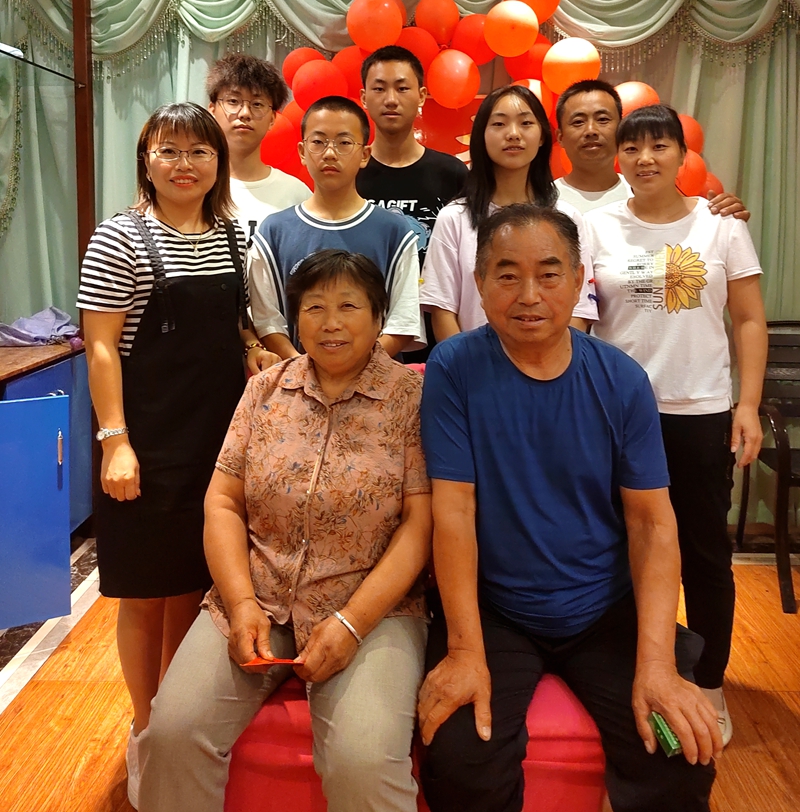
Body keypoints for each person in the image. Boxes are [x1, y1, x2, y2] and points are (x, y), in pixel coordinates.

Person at [417, 203, 722, 812]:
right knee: (459, 757)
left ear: (580, 279)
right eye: (507, 275)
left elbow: (652, 523)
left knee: (677, 759)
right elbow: (453, 512)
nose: (529, 295)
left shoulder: (622, 380)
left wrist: (657, 664)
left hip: (606, 609)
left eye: (549, 274)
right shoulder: (454, 369)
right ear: (479, 283)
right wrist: (465, 651)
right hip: (498, 609)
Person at [138, 249, 432, 812]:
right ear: (295, 319)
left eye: (349, 306)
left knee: (364, 761)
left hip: (373, 608)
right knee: (172, 732)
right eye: (314, 307)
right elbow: (223, 501)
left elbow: (421, 525)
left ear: (379, 316)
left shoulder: (411, 400)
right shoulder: (264, 391)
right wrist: (239, 603)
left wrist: (352, 622)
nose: (331, 322)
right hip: (260, 596)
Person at [76, 102, 279, 808]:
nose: (184, 164)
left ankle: (172, 722)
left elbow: (243, 325)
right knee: (143, 593)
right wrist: (115, 441)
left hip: (217, 443)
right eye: (168, 151)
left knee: (192, 592)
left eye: (199, 151)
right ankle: (143, 726)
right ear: (147, 161)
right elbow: (101, 347)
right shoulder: (119, 237)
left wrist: (258, 352)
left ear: (219, 162)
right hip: (145, 442)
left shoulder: (236, 235)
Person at [584, 104, 768, 746]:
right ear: (619, 158)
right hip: (615, 415)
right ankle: (638, 669)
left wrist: (748, 405)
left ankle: (710, 683)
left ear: (681, 155)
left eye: (659, 146)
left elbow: (748, 319)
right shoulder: (596, 227)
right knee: (617, 549)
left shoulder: (720, 226)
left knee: (705, 554)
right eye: (632, 148)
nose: (645, 159)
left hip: (699, 412)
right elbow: (580, 322)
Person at [249, 95, 424, 359]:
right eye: (318, 142)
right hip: (297, 377)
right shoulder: (274, 231)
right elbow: (267, 319)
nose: (330, 153)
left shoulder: (394, 231)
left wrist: (353, 371)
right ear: (302, 152)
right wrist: (303, 369)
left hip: (375, 377)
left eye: (344, 143)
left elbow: (403, 320)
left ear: (364, 154)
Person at [419, 85, 597, 343]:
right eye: (499, 124)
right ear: (481, 136)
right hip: (475, 364)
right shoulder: (455, 218)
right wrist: (464, 364)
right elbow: (443, 310)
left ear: (542, 136)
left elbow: (579, 310)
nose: (513, 134)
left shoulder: (567, 217)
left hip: (552, 364)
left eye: (526, 123)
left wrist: (551, 363)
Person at [357, 45, 468, 360]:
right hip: (361, 332)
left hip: (438, 337)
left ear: (421, 96)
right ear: (364, 97)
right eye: (379, 88)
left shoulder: (453, 174)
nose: (391, 99)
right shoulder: (349, 172)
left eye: (402, 88)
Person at [555, 79, 749, 219]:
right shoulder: (544, 198)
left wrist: (725, 217)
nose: (591, 130)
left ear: (621, 128)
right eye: (578, 122)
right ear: (560, 137)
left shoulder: (649, 189)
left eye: (603, 119)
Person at [207, 52, 310, 242]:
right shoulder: (195, 185)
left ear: (272, 119)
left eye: (257, 104)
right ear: (212, 110)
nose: (245, 113)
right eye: (233, 101)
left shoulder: (296, 194)